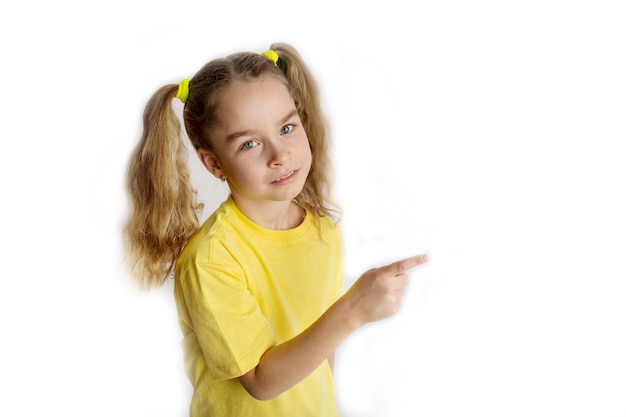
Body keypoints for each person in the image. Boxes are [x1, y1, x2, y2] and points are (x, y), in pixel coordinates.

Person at [124, 42, 428, 417]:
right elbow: (260, 382)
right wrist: (355, 309)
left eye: (286, 127)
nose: (279, 154)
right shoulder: (211, 259)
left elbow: (319, 352)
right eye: (250, 143)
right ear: (214, 164)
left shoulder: (322, 234)